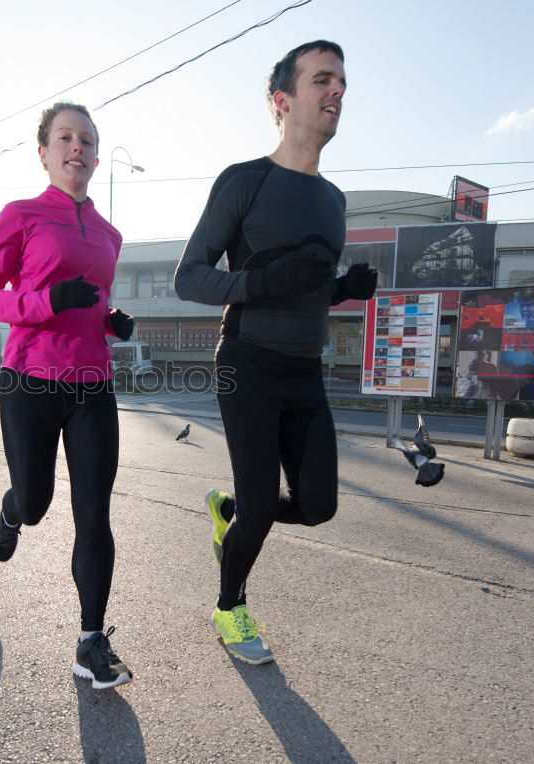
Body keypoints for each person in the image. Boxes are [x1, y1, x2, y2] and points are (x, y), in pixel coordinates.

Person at [174, 41, 377, 665]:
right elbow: (190, 278)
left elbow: (305, 286)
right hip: (248, 362)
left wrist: (341, 290)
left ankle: (229, 512)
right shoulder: (245, 182)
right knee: (265, 504)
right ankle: (229, 606)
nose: (337, 90)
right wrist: (263, 283)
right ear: (282, 101)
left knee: (318, 507)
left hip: (303, 371)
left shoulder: (335, 200)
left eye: (342, 80)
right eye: (323, 80)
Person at [0, 102, 136, 689]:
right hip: (29, 382)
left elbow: (89, 301)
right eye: (65, 138)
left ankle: (92, 642)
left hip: (92, 387)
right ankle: (12, 510)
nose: (78, 148)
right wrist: (43, 303)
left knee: (95, 514)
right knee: (37, 505)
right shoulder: (22, 215)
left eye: (87, 140)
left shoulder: (110, 233)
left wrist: (113, 320)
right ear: (44, 151)